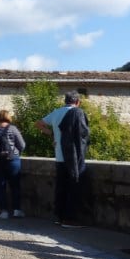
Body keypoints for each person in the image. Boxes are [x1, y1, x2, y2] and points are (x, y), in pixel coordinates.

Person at [36, 91, 90, 228]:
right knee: (73, 187)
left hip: (59, 156)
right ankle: (70, 219)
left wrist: (52, 135)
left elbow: (38, 124)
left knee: (61, 187)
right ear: (77, 102)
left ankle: (60, 217)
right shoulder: (77, 113)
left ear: (65, 101)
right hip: (72, 157)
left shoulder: (56, 112)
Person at [0, 110, 26, 219]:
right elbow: (22, 145)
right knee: (15, 185)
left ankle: (4, 212)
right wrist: (16, 152)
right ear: (8, 117)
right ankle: (16, 210)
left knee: (0, 185)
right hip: (12, 160)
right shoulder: (13, 129)